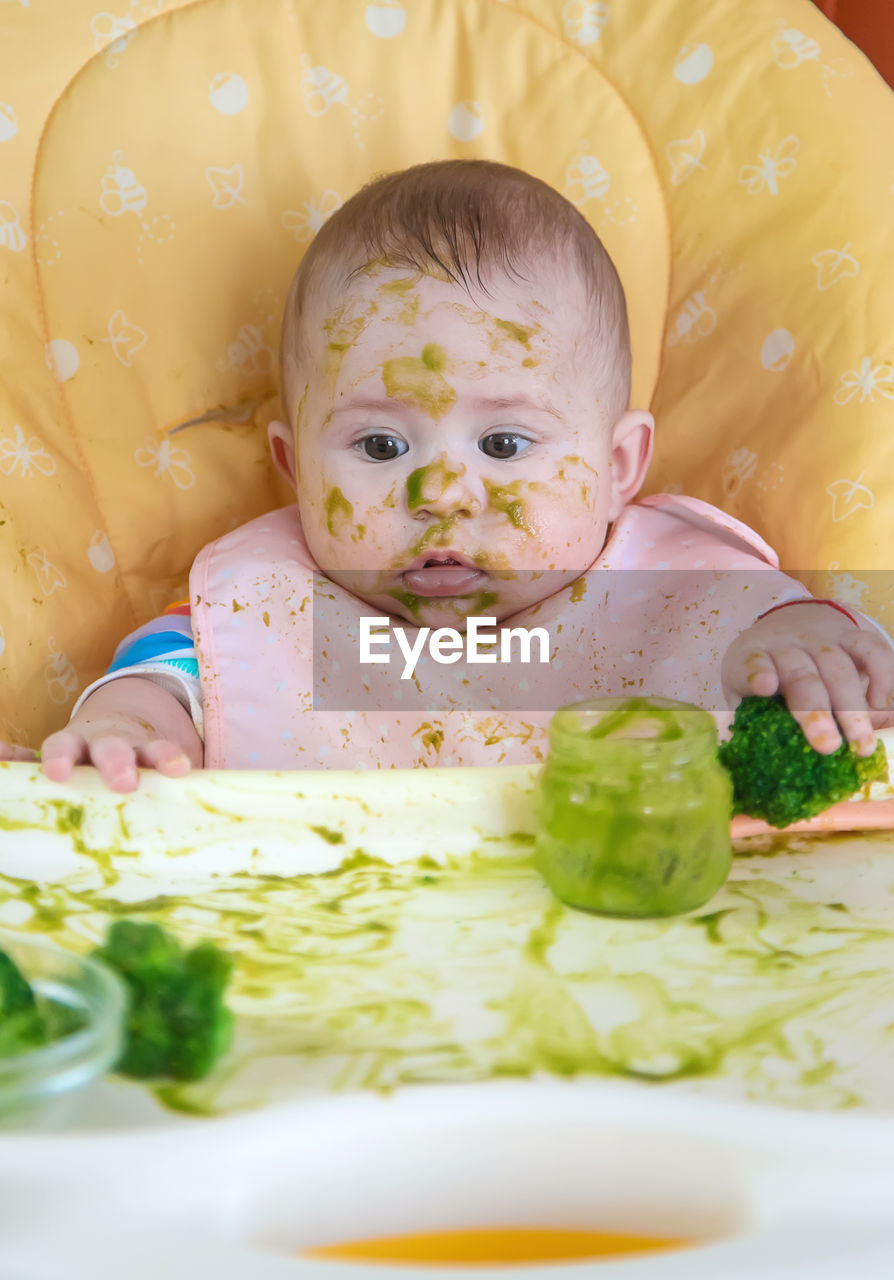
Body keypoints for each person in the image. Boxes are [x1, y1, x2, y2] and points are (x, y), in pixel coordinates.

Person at [3, 160, 892, 791]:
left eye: (504, 446)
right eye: (383, 449)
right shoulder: (268, 598)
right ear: (295, 469)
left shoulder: (680, 587)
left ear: (619, 467)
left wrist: (810, 649)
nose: (443, 498)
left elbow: (810, 649)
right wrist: (129, 727)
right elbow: (173, 676)